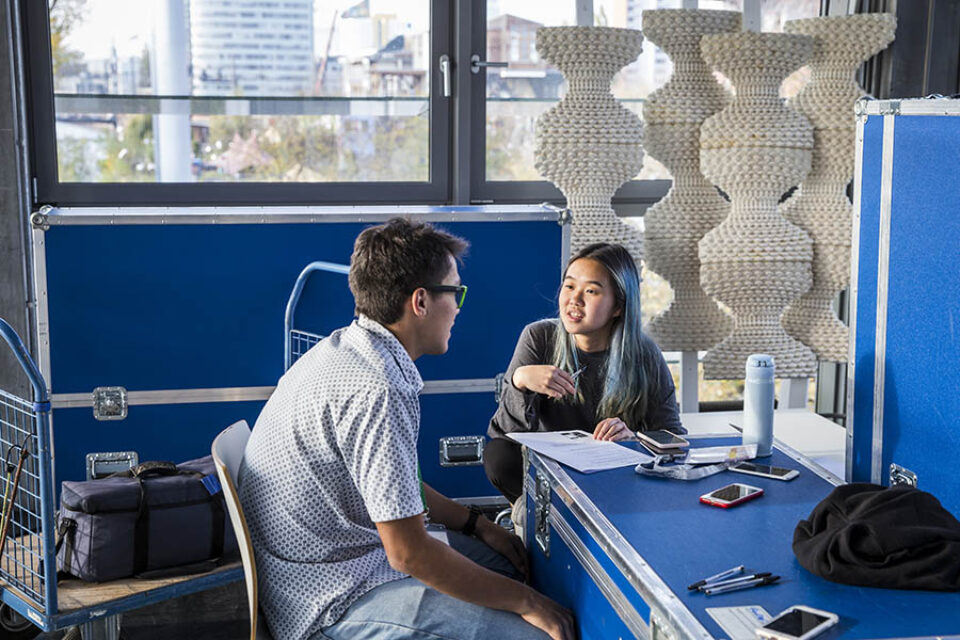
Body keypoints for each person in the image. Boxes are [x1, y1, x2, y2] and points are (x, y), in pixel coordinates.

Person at [239, 218, 575, 640]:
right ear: (420, 301)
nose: (457, 307)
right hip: (331, 601)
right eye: (455, 292)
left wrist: (479, 525)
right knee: (541, 632)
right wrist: (528, 603)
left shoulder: (346, 347)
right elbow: (409, 553)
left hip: (335, 564)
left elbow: (399, 487)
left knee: (509, 565)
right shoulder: (377, 389)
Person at [485, 242, 685, 503]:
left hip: (615, 477)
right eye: (569, 286)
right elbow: (504, 436)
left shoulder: (645, 353)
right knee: (497, 456)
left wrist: (631, 439)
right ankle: (542, 515)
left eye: (590, 291)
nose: (574, 299)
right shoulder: (538, 336)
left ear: (618, 306)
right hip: (551, 478)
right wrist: (520, 381)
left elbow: (673, 438)